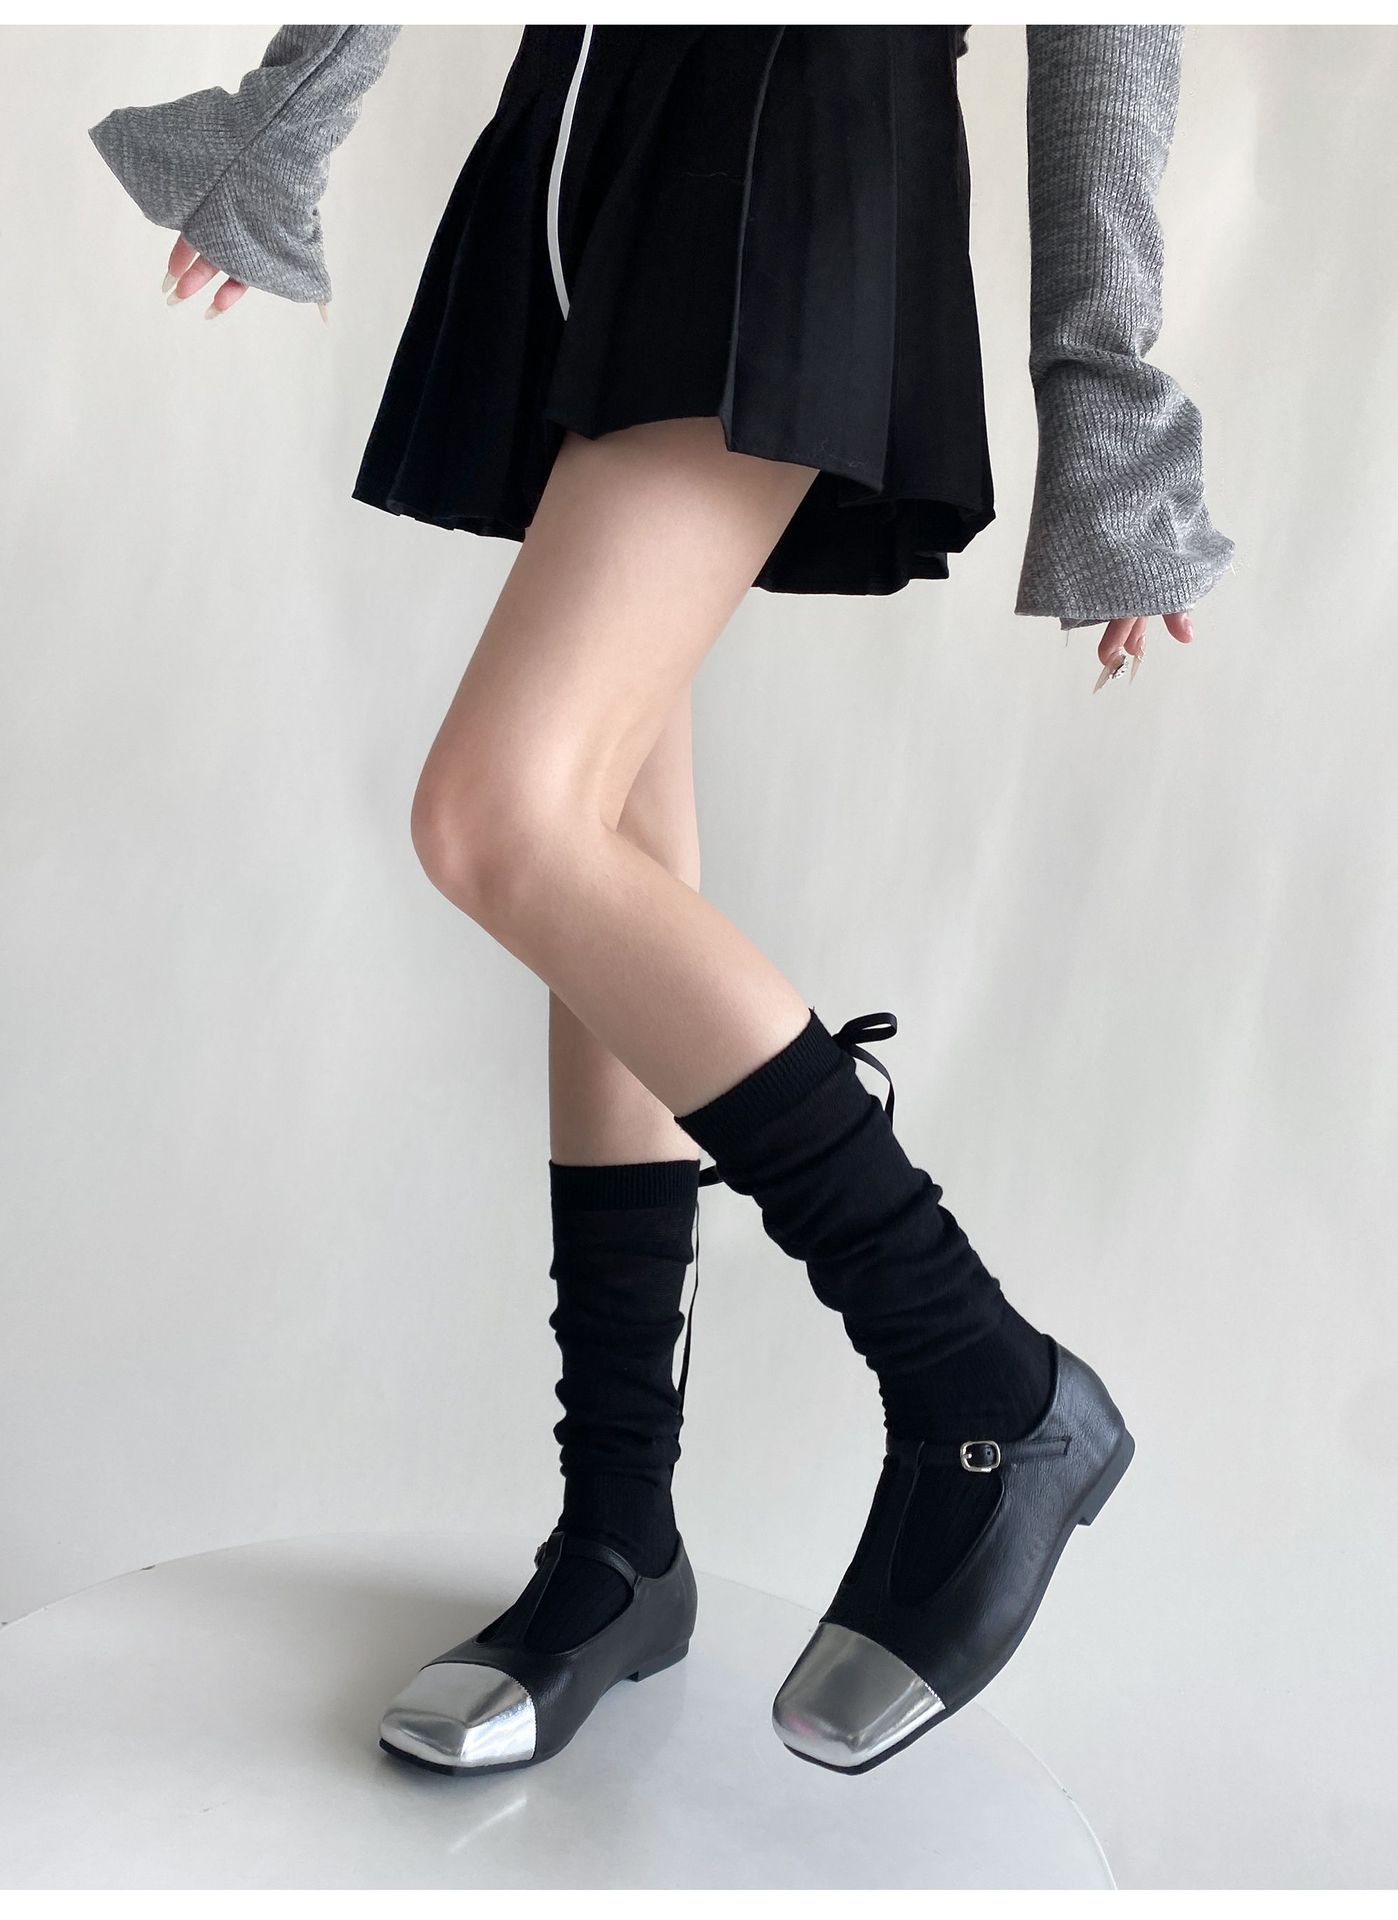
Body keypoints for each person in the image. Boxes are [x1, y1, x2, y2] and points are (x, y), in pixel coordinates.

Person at [89, 23, 1235, 1779]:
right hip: (578, 131)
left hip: (793, 140)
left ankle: (981, 1382)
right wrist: (283, 122)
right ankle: (619, 1545)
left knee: (498, 819)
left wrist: (1108, 399)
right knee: (608, 856)